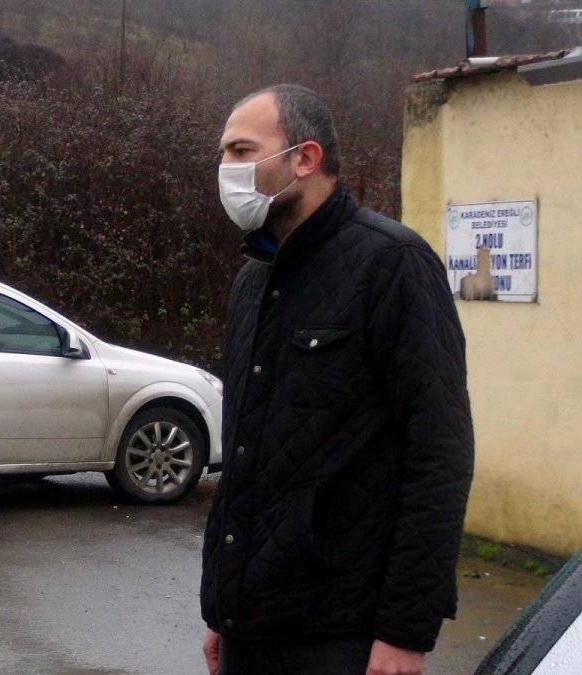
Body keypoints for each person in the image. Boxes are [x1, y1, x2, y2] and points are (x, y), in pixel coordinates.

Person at [200, 84, 474, 675]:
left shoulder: (393, 264)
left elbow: (439, 454)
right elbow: (247, 461)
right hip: (252, 627)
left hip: (342, 636)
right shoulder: (253, 282)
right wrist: (221, 608)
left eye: (243, 151)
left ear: (305, 157)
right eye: (224, 154)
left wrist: (405, 630)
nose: (228, 169)